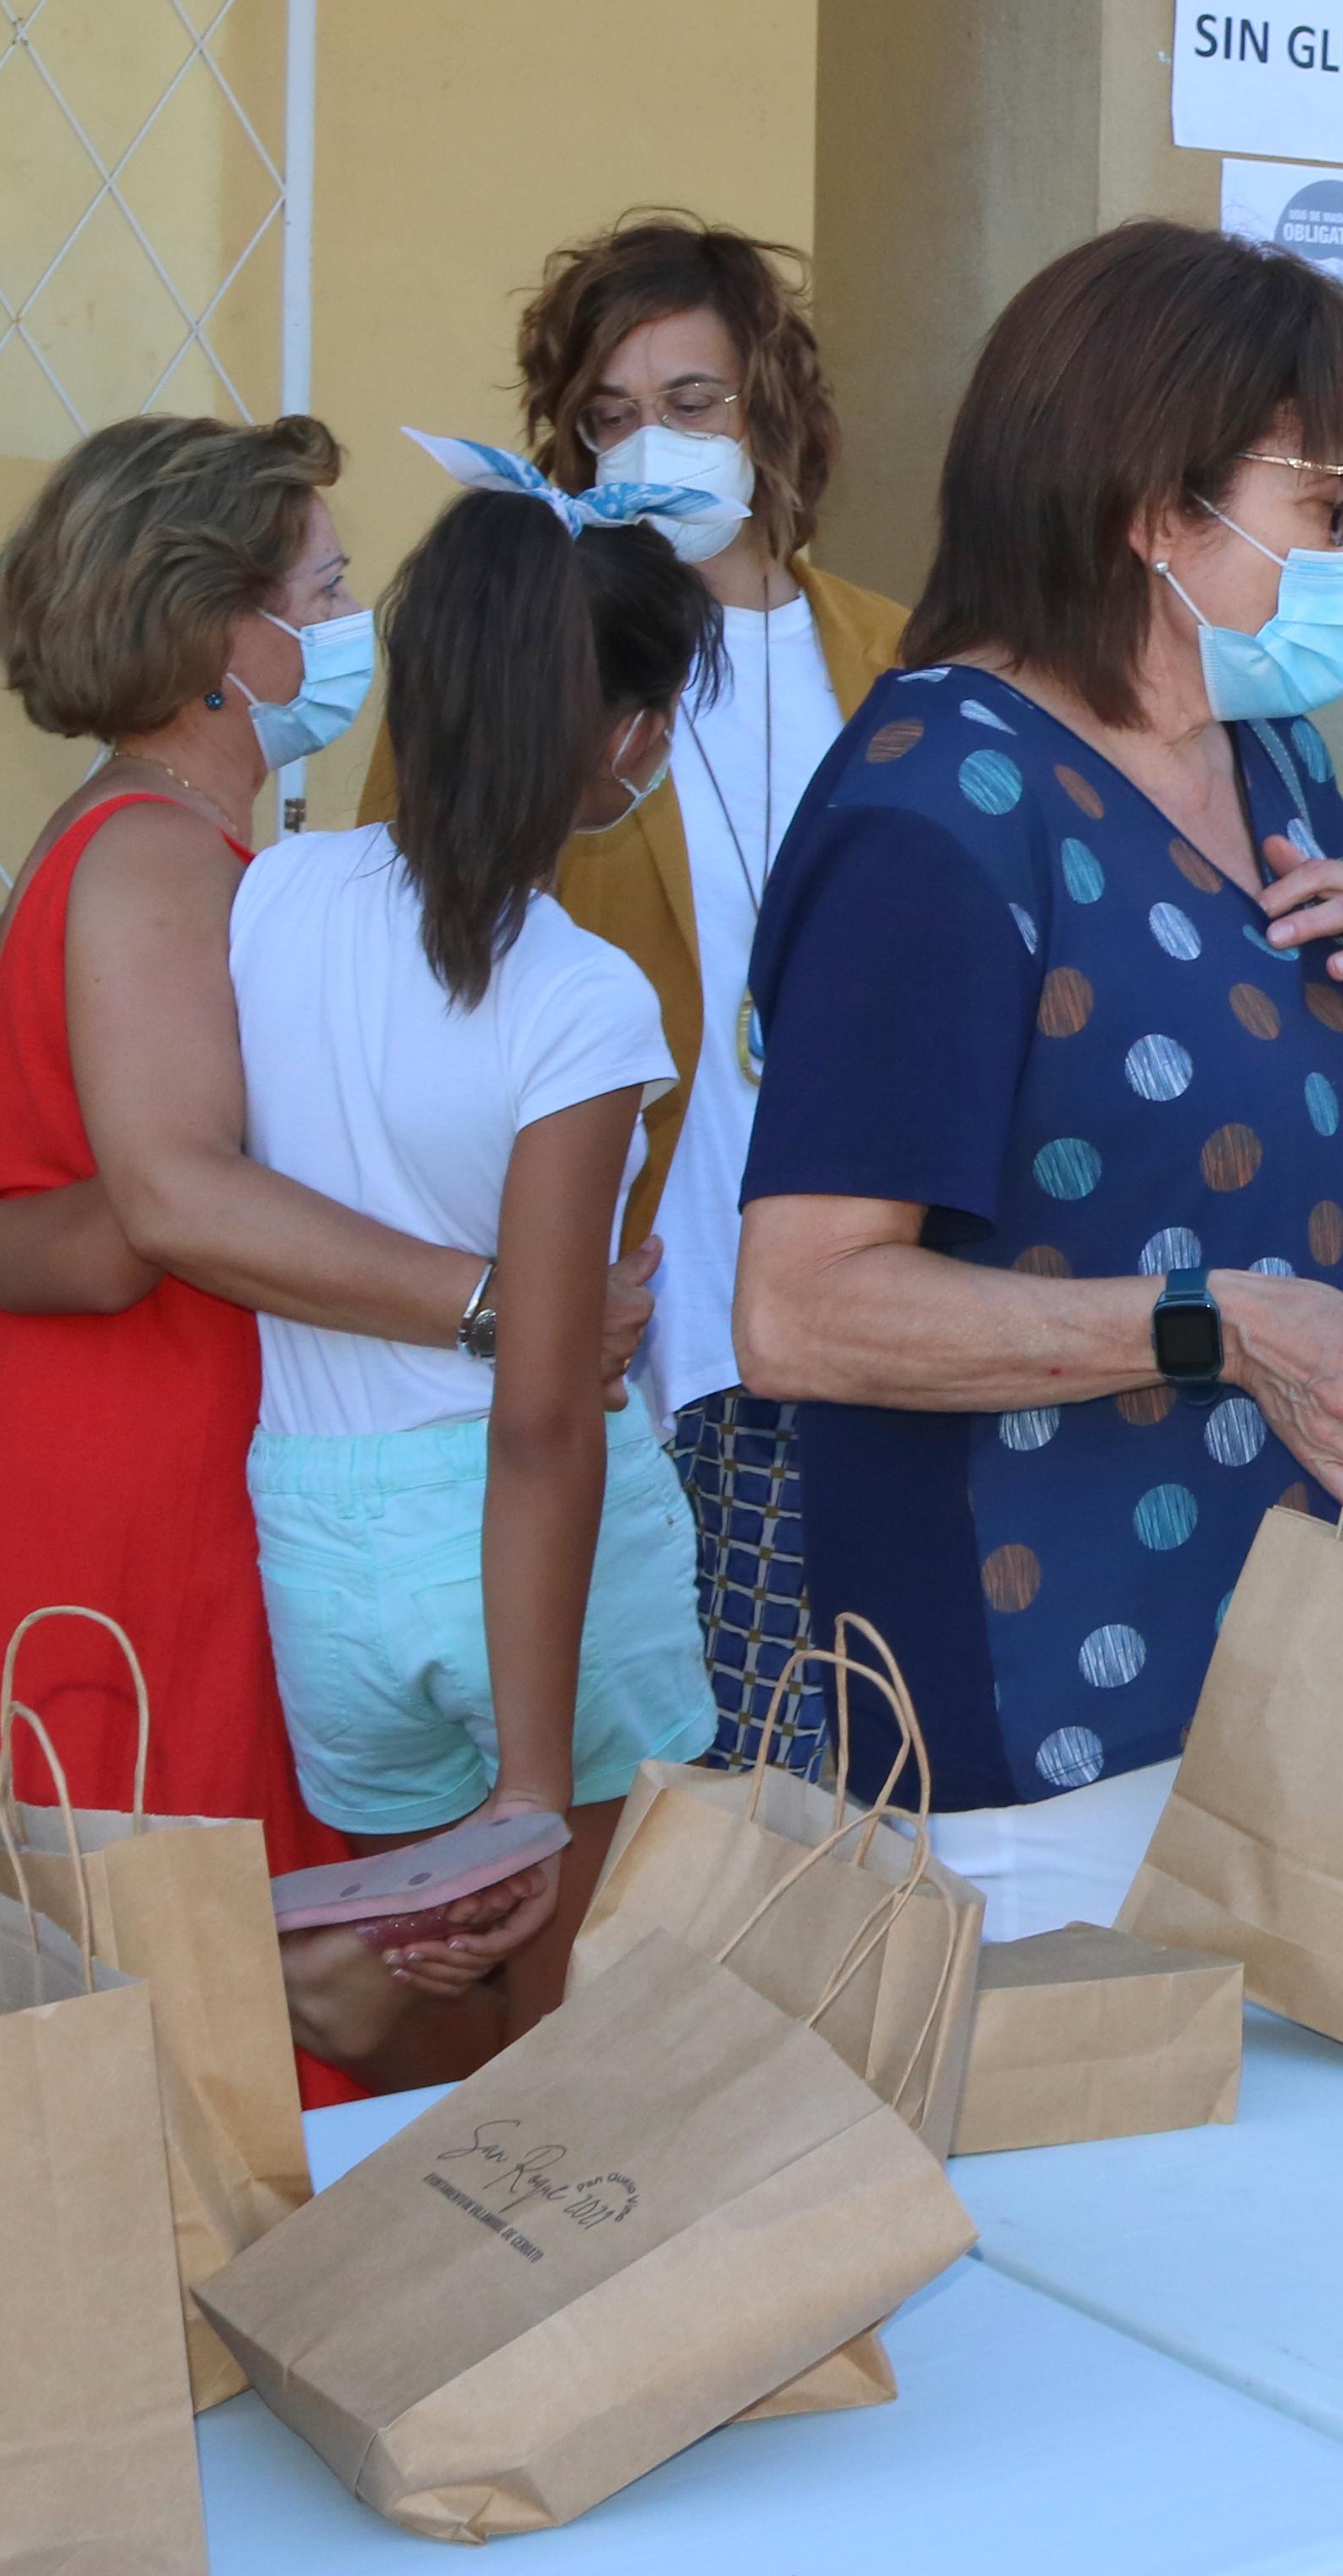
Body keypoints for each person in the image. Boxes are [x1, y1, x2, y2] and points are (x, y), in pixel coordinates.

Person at [727, 223, 1343, 1890]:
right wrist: (1215, 1327)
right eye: (1335, 501)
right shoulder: (937, 820)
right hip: (1065, 1700)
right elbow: (802, 1307)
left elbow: (1291, 1144)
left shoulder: (1272, 756)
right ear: (1157, 511)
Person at [0, 416, 621, 2066]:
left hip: (127, 1454)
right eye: (328, 582)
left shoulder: (173, 849)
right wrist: (507, 1304)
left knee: (180, 1957)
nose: (352, 618)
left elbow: (30, 1180)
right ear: (227, 629)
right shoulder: (156, 854)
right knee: (193, 1971)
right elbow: (163, 1203)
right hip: (132, 1487)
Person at [357, 214, 907, 1772]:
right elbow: (409, 952)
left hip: (871, 1302)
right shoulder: (519, 653)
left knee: (881, 1783)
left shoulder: (903, 661)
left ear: (775, 412)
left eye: (691, 402)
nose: (648, 444)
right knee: (685, 1799)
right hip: (640, 1326)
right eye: (608, 417)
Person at [232, 457, 727, 2018]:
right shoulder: (581, 998)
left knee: (435, 1981)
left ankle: (353, 1989)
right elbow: (540, 1400)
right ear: (623, 738)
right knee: (577, 2009)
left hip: (319, 1531)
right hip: (526, 1558)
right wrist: (528, 1777)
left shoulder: (275, 899)